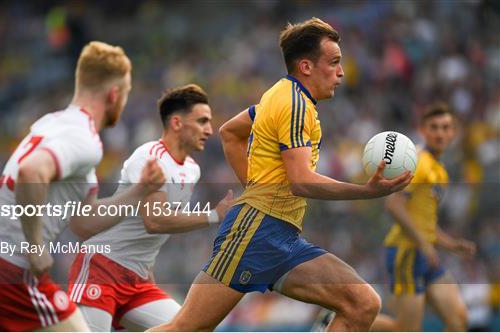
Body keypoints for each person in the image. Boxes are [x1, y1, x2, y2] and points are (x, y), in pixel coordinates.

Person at [149, 17, 412, 332]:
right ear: (306, 66)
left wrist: (258, 187)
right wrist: (367, 191)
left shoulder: (281, 95)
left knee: (362, 303)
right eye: (334, 62)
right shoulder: (293, 104)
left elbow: (229, 133)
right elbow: (301, 181)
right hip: (256, 233)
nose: (341, 72)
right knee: (185, 329)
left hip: (282, 237)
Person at [0, 41, 165, 331]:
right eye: (126, 94)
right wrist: (34, 245)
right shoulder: (83, 139)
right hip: (9, 263)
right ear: (114, 94)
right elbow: (31, 172)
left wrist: (138, 192)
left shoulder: (51, 123)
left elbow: (83, 222)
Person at [67, 84, 234, 331]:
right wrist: (212, 216)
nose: (209, 130)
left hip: (138, 279)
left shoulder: (191, 169)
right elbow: (154, 221)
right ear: (177, 123)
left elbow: (150, 236)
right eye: (201, 121)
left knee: (193, 327)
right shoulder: (149, 157)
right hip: (101, 270)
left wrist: (149, 276)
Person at [370, 103, 477, 331]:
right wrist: (424, 245)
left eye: (445, 127)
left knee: (459, 321)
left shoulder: (439, 170)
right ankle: (340, 322)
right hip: (405, 252)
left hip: (425, 254)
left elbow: (425, 222)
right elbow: (394, 205)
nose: (440, 133)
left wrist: (452, 244)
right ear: (423, 130)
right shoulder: (418, 162)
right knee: (406, 330)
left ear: (453, 133)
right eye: (434, 127)